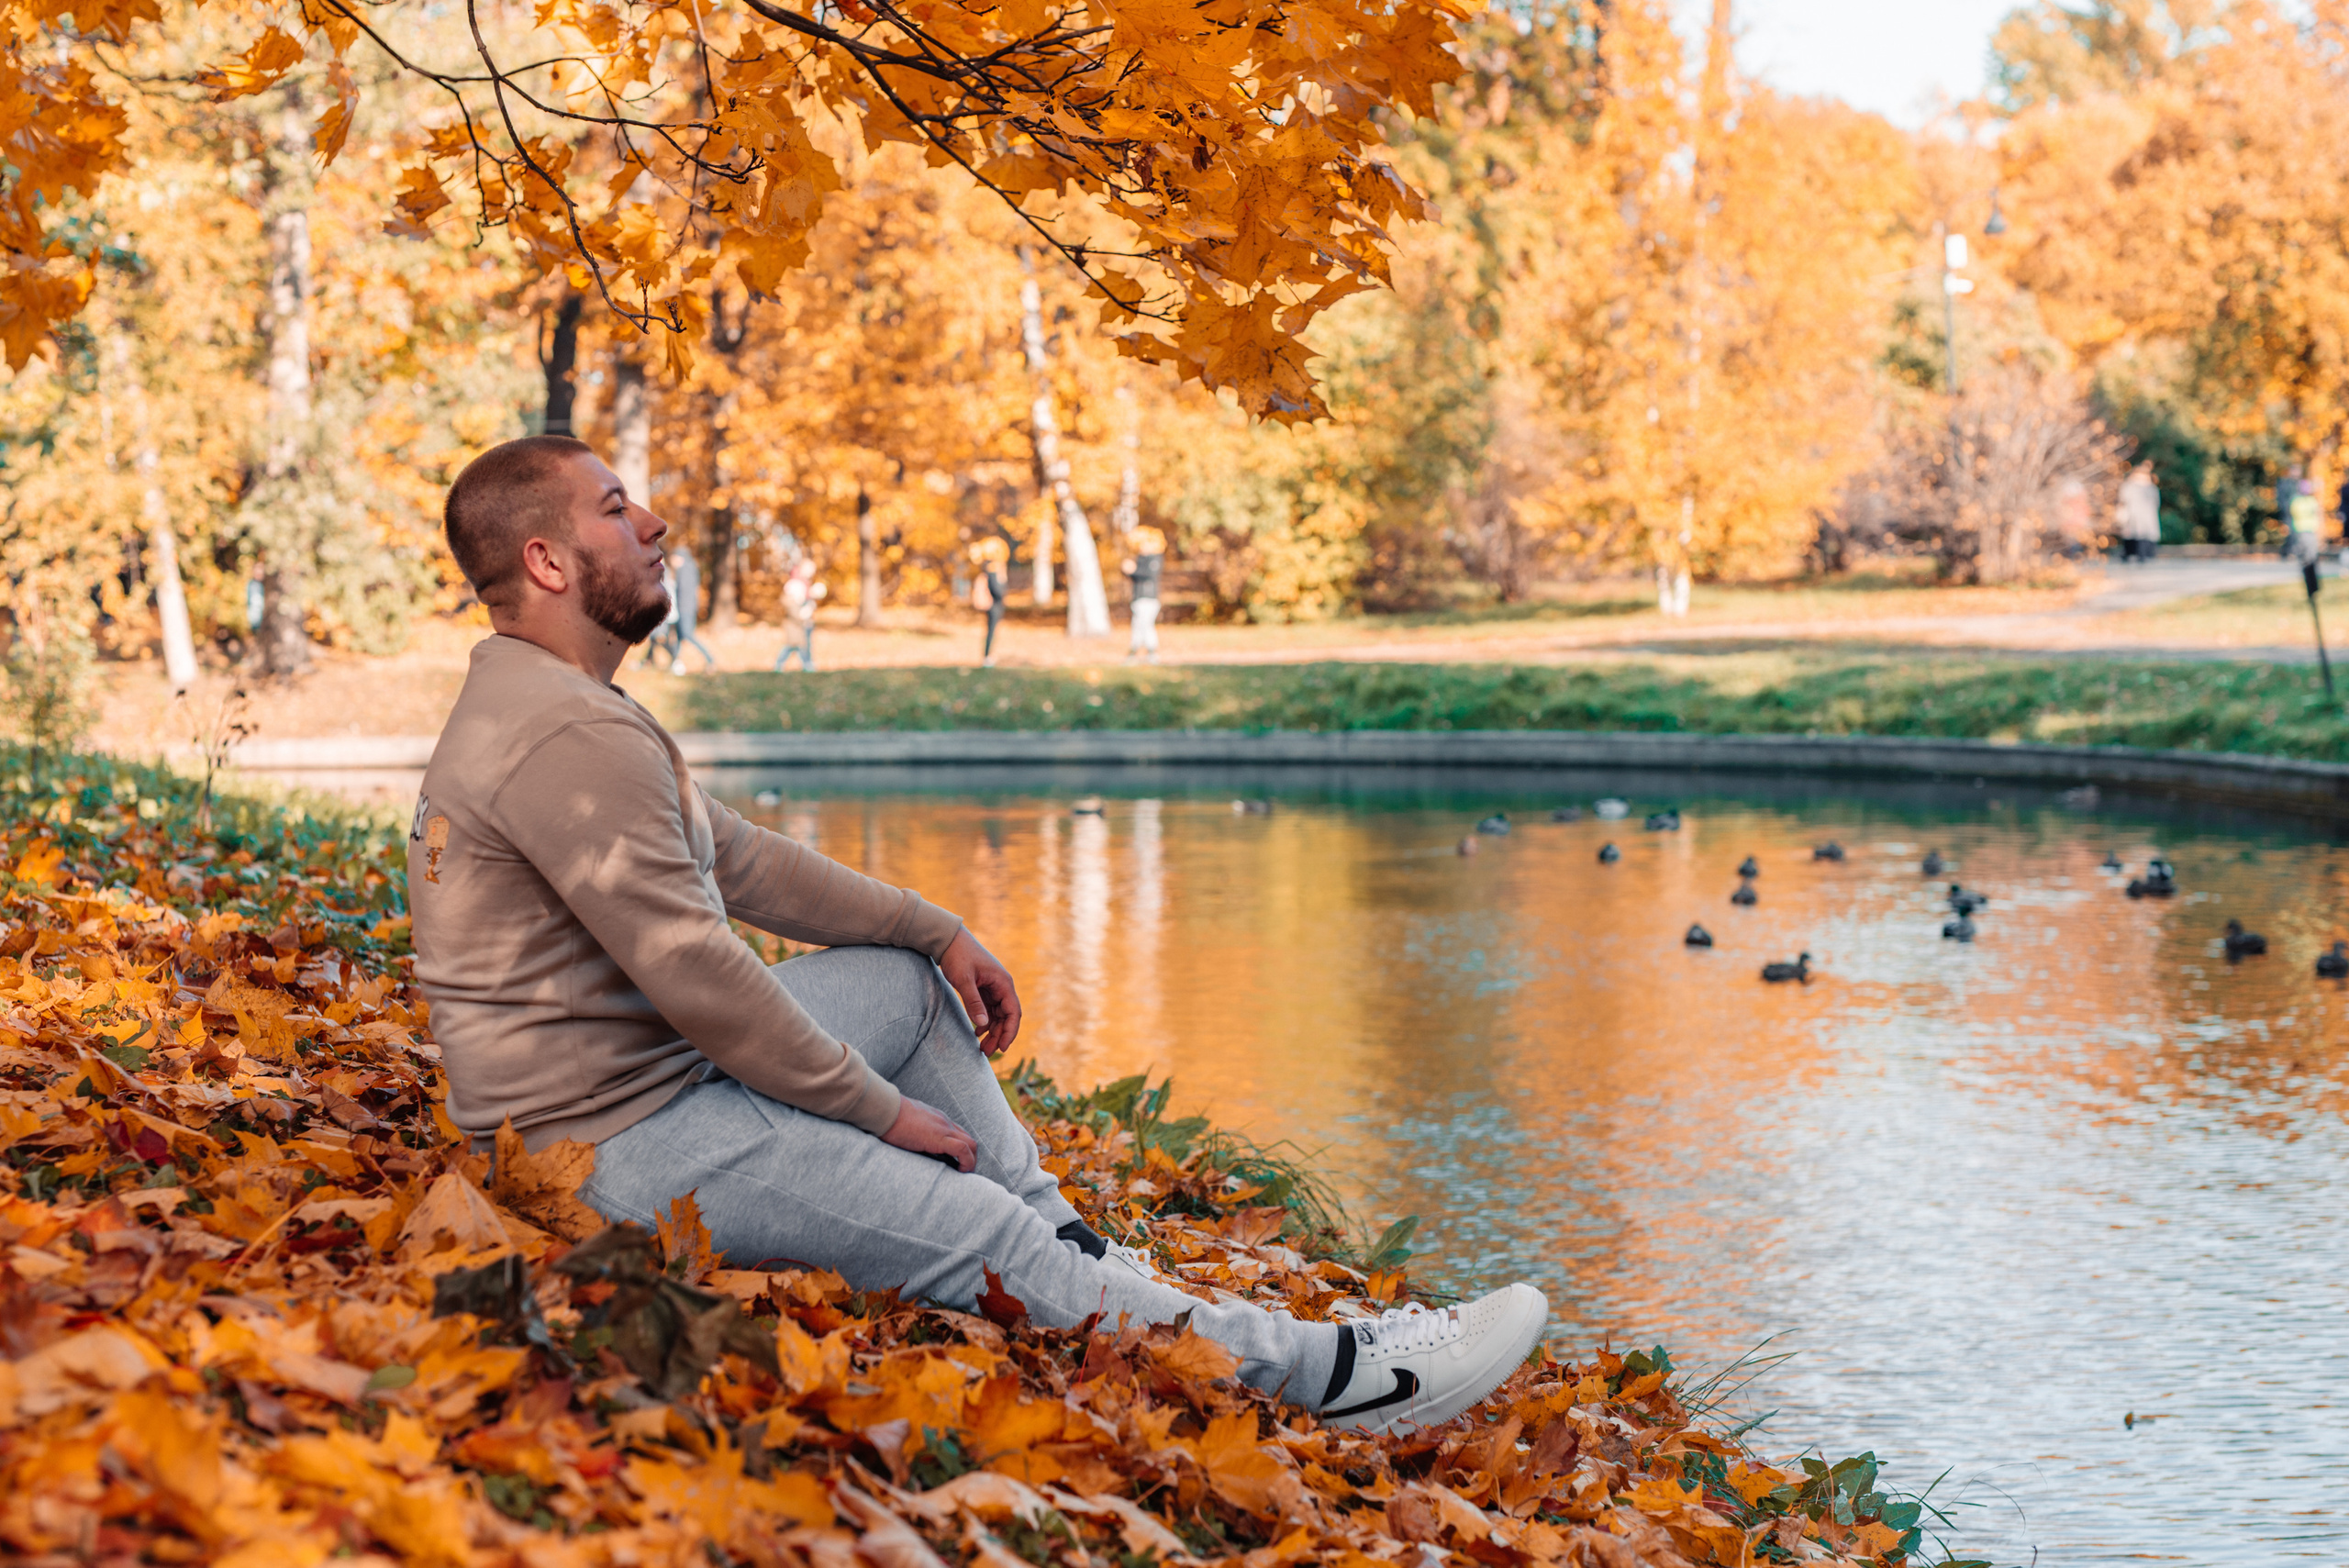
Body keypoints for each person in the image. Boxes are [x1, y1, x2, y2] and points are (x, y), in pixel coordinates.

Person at [411, 435, 1549, 1434]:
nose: (653, 520)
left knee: (907, 984)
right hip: (607, 1147)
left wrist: (938, 927)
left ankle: (1074, 1252)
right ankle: (1332, 1377)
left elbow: (743, 861)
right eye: (615, 507)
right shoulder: (566, 735)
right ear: (548, 563)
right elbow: (699, 976)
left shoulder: (562, 703)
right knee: (962, 1224)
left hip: (642, 1087)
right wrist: (878, 1110)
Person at [666, 546, 718, 673]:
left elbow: (684, 592)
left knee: (687, 635)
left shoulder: (685, 570)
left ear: (680, 558)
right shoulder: (690, 568)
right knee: (678, 637)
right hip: (687, 608)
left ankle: (710, 658)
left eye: (674, 558)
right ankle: (675, 663)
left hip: (685, 609)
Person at [1121, 524, 1165, 662]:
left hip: (1149, 598)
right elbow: (1136, 576)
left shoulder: (1155, 559)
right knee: (1138, 625)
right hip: (1138, 597)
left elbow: (1148, 575)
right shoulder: (1140, 558)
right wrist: (1127, 571)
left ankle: (1149, 652)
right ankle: (1137, 653)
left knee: (1145, 625)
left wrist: (1133, 570)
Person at [773, 558, 825, 672]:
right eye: (810, 569)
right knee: (793, 644)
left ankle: (807, 664)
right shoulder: (794, 583)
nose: (812, 572)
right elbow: (791, 604)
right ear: (803, 568)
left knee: (804, 644)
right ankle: (780, 664)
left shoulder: (805, 583)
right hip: (795, 622)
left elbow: (806, 600)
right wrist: (802, 614)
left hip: (804, 620)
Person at [971, 538, 1008, 667]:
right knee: (991, 631)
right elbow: (997, 589)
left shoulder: (996, 567)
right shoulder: (992, 568)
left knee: (993, 631)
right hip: (994, 605)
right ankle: (987, 656)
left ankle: (989, 655)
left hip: (996, 605)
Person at [2116, 462, 2161, 564]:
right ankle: (2139, 555)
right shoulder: (2150, 488)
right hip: (2138, 517)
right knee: (2138, 535)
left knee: (2135, 536)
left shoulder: (2130, 486)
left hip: (2138, 517)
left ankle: (2136, 555)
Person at [2282, 465, 2323, 564]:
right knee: (2306, 553)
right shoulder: (2297, 500)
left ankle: (2308, 566)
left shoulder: (2311, 500)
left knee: (2310, 553)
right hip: (2300, 529)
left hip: (2309, 529)